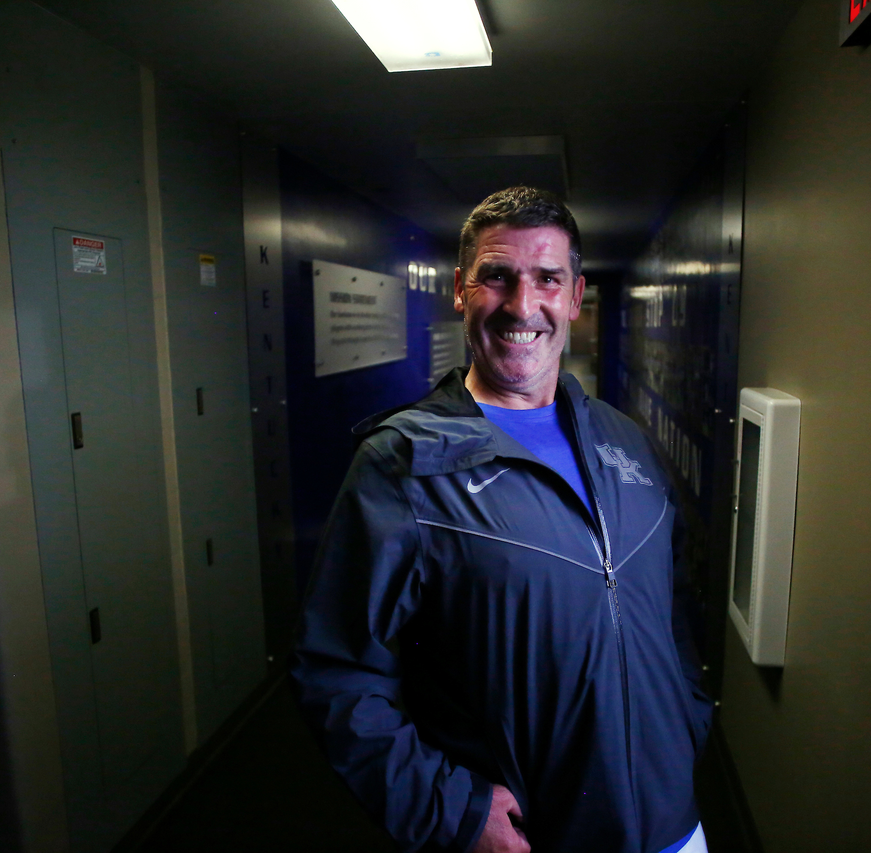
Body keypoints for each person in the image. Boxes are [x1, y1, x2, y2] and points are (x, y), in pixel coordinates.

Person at [291, 187, 713, 853]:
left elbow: (673, 605)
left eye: (547, 278)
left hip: (672, 823)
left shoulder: (622, 439)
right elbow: (336, 672)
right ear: (461, 290)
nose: (523, 305)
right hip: (532, 836)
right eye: (497, 276)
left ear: (575, 295)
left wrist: (687, 718)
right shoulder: (404, 463)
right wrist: (450, 808)